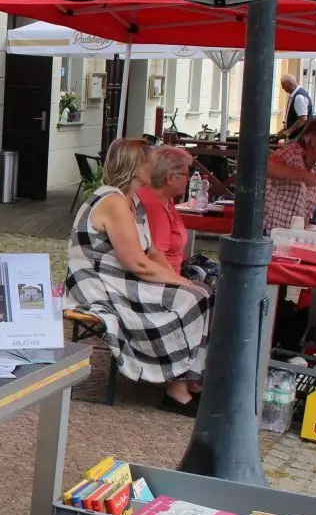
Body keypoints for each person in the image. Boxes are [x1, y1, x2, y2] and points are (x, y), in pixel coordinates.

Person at [65, 138, 211, 415]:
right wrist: (181, 283)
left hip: (122, 280)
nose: (153, 167)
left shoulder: (131, 200)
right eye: (149, 162)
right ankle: (177, 389)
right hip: (100, 286)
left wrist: (180, 280)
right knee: (192, 298)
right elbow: (137, 264)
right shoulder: (112, 201)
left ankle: (190, 378)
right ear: (135, 167)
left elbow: (153, 253)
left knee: (201, 292)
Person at [264, 117, 316, 234]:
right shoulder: (292, 152)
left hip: (291, 236)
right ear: (313, 141)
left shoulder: (315, 171)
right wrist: (302, 176)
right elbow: (267, 167)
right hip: (270, 233)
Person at [140, 146, 195, 274]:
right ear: (170, 178)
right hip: (163, 280)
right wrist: (182, 283)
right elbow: (156, 258)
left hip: (171, 276)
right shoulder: (153, 206)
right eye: (186, 174)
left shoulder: (165, 199)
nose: (188, 180)